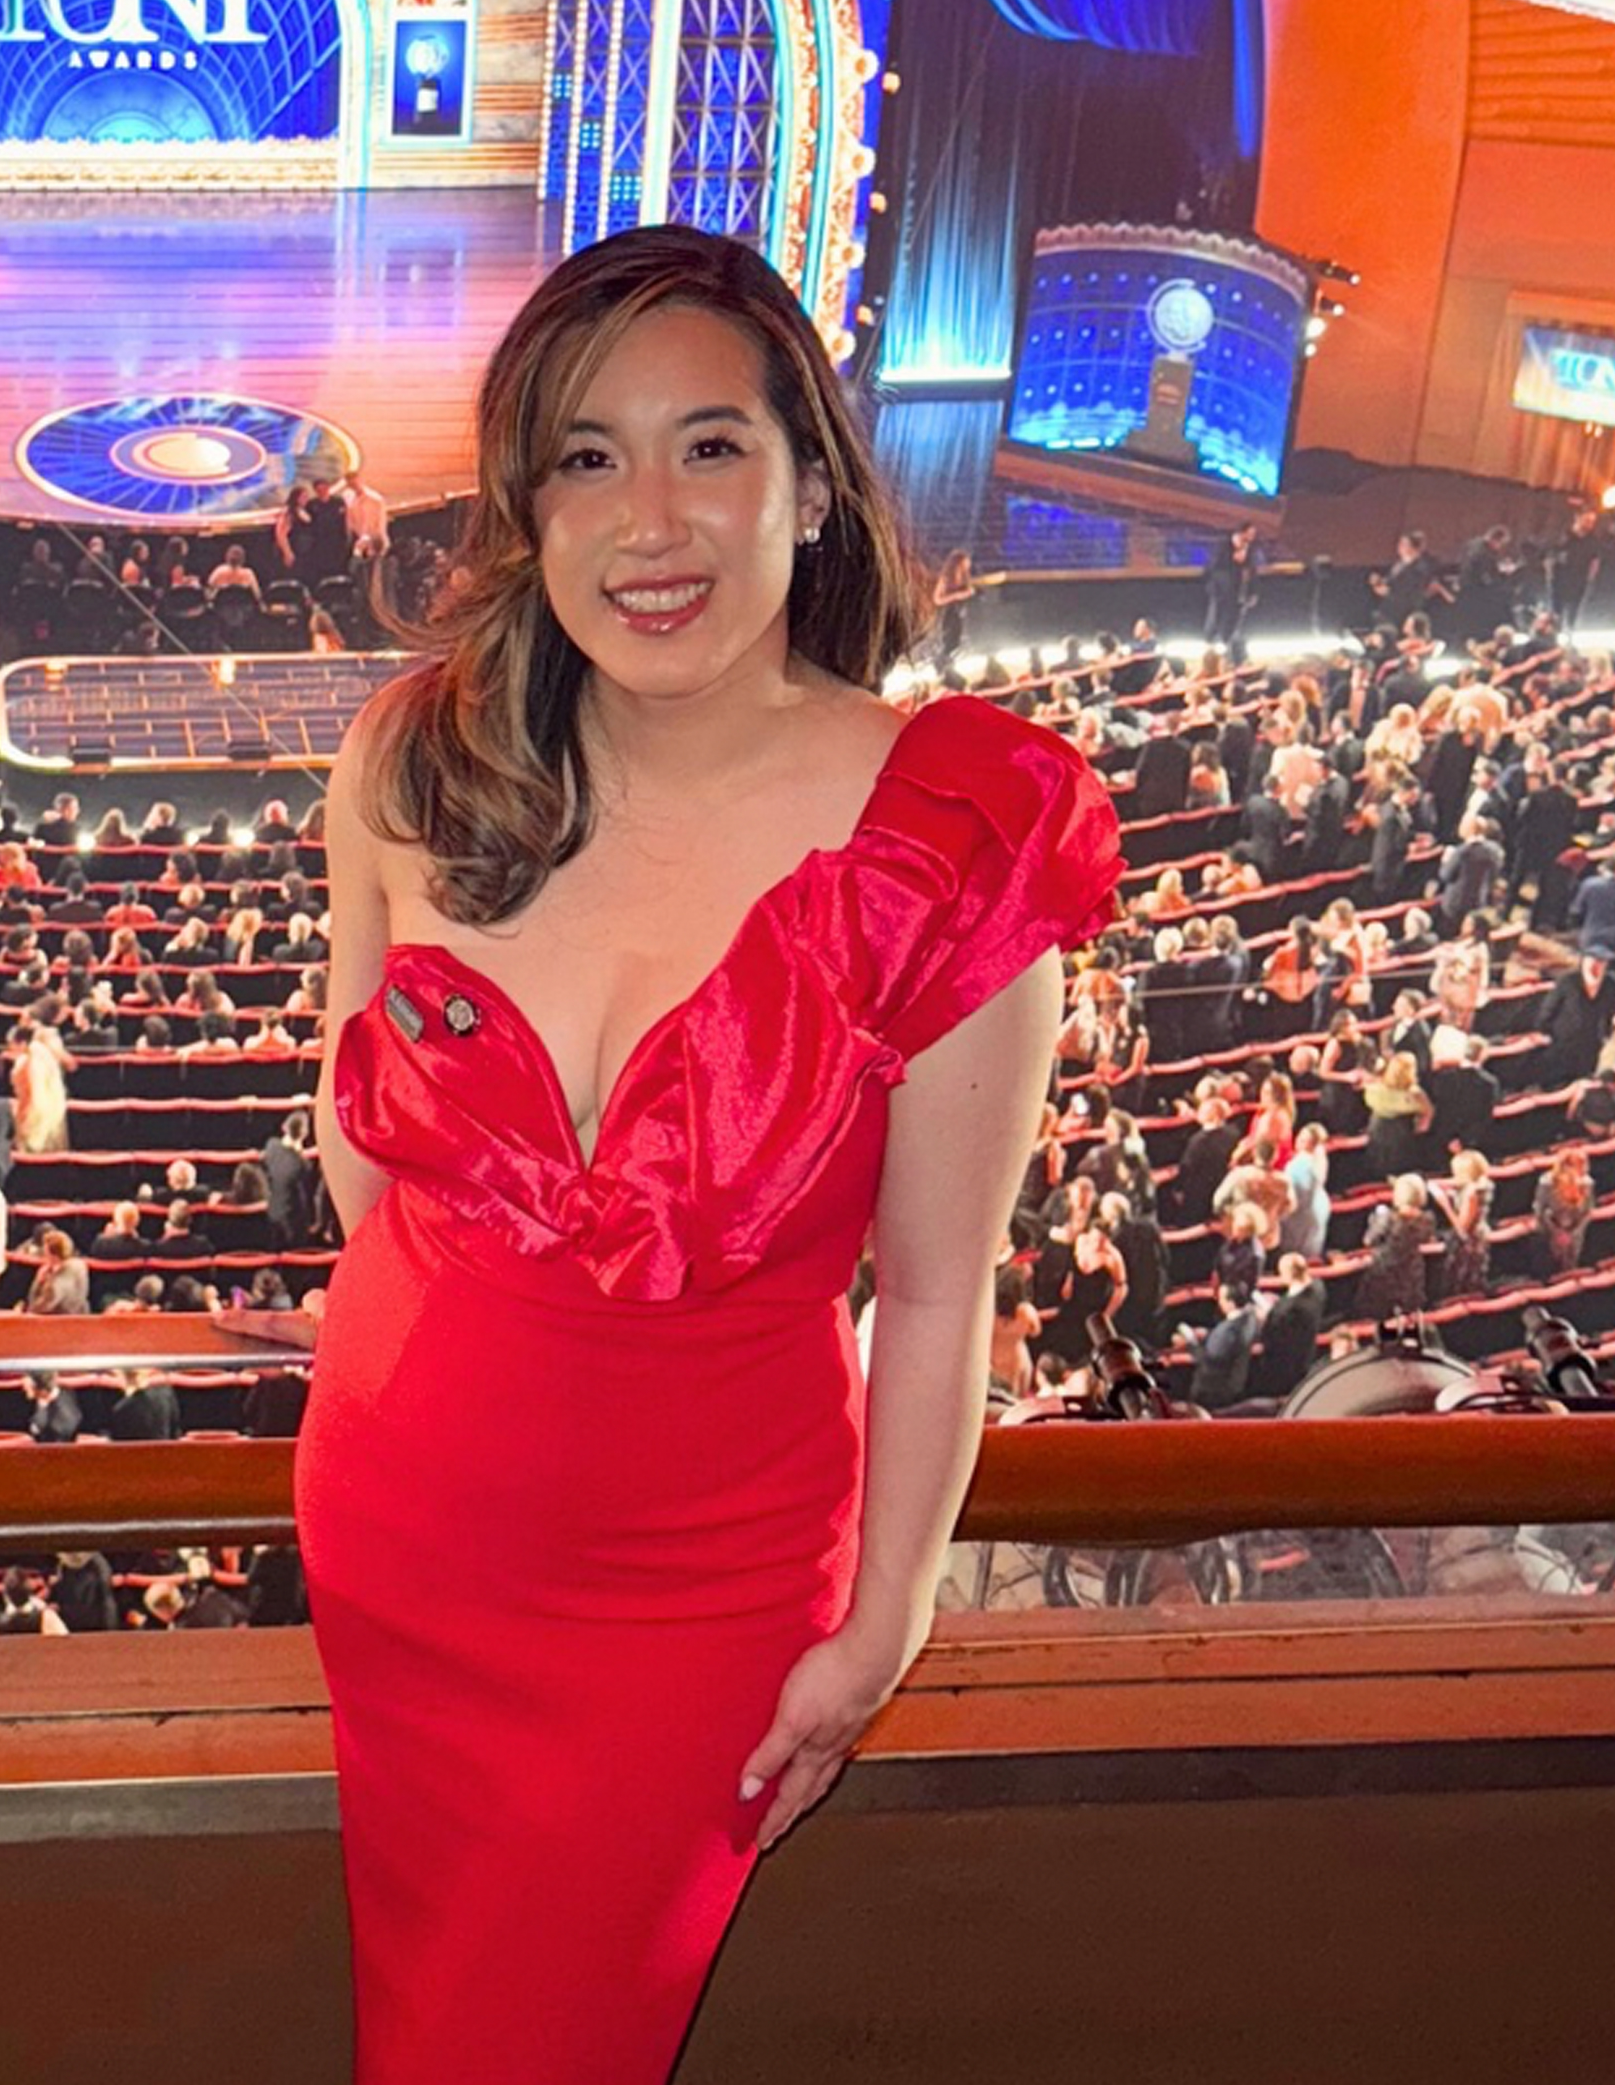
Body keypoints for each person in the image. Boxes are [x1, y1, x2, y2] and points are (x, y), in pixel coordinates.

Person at [291, 225, 1120, 2083]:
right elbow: (371, 1178)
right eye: (587, 458)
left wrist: (883, 1619)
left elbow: (932, 1290)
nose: (647, 521)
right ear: (527, 507)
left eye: (710, 448)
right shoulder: (413, 764)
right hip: (399, 1537)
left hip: (697, 1602)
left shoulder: (952, 834)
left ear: (814, 487)